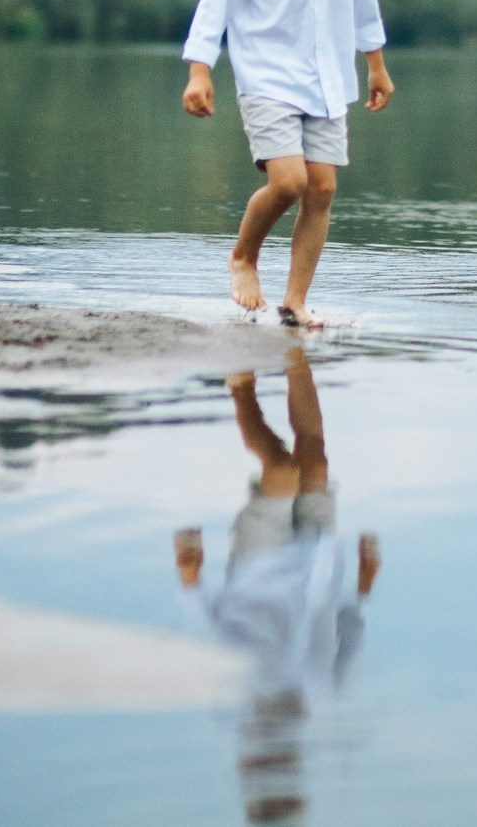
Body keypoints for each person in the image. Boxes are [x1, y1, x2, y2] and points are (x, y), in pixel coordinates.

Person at [182, 0, 393, 328]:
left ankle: (295, 301)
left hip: (328, 83)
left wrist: (376, 66)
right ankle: (243, 256)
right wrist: (199, 71)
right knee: (289, 181)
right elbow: (214, 7)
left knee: (322, 189)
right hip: (269, 82)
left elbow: (364, 5)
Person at [174, 348, 381, 824]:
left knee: (283, 471)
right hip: (318, 557)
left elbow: (201, 640)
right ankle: (294, 351)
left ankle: (241, 388)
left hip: (259, 565)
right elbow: (346, 643)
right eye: (287, 765)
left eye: (264, 763)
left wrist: (189, 577)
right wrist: (365, 585)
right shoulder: (320, 709)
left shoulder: (230, 707)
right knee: (314, 458)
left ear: (249, 764)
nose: (278, 755)